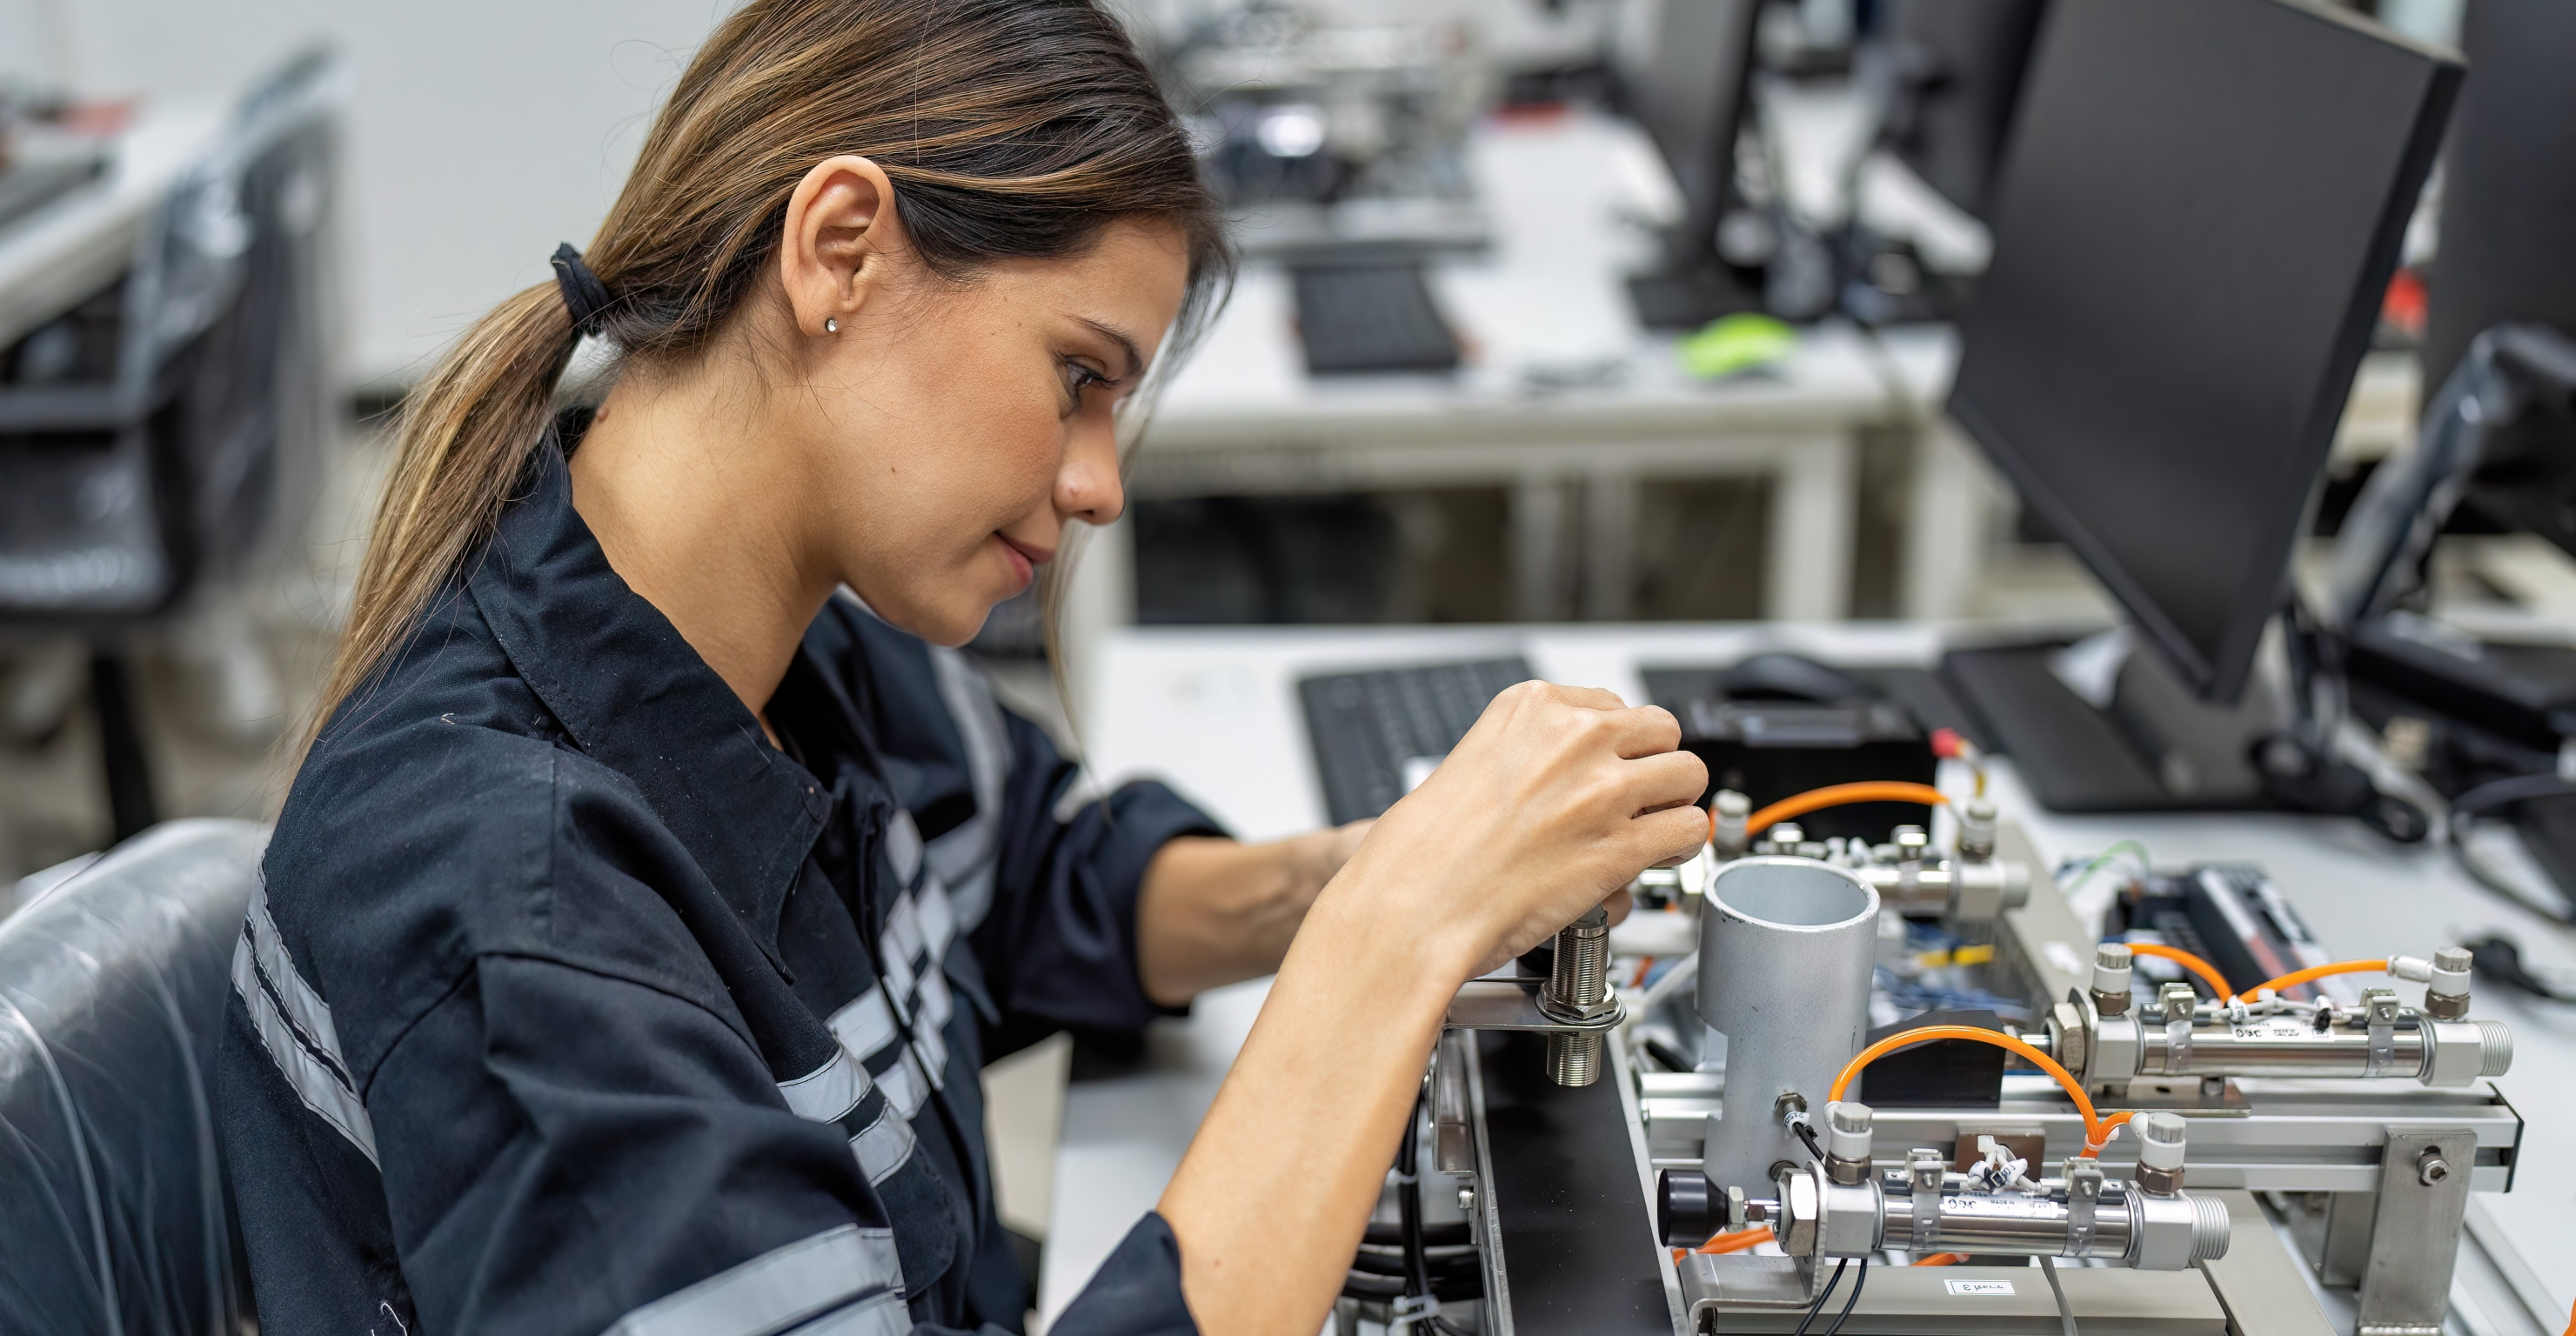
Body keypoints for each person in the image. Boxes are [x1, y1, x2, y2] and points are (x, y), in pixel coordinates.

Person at [213, 1, 1708, 1332]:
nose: (1099, 484)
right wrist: (1392, 941)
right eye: (1077, 378)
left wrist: (1375, 873)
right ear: (839, 251)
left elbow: (1049, 883)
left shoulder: (784, 641)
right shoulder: (517, 903)